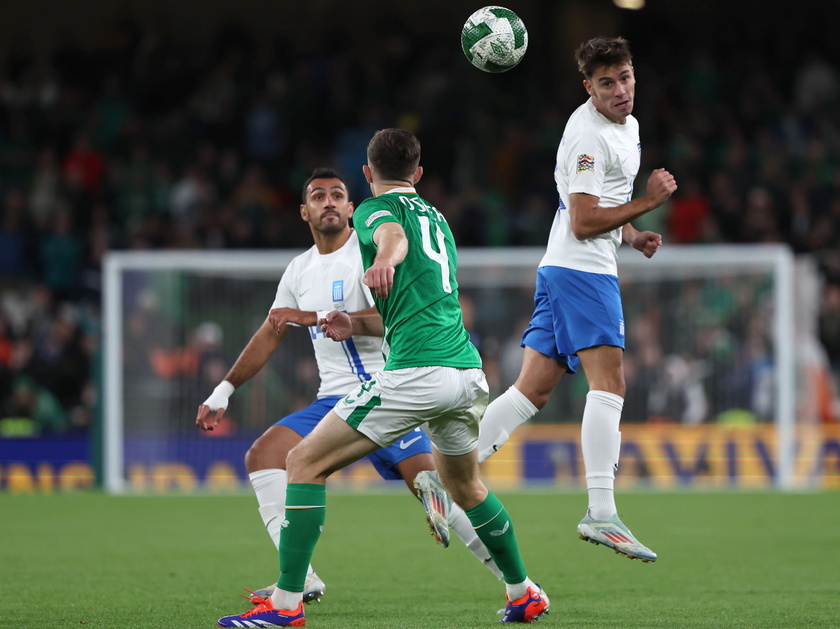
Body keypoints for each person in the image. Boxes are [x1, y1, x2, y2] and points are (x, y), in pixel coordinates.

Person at [217, 130, 550, 627]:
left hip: (410, 378)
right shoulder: (438, 219)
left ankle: (286, 605)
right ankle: (524, 591)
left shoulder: (375, 213)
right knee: (467, 487)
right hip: (466, 372)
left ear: (367, 178)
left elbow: (391, 239)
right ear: (418, 174)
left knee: (303, 462)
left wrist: (384, 261)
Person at [476, 37, 677, 563]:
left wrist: (633, 234)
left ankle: (443, 467)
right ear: (588, 88)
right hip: (582, 271)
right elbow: (587, 221)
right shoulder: (588, 135)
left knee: (532, 391)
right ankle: (602, 512)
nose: (620, 90)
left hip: (564, 266)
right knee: (610, 383)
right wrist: (650, 202)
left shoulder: (626, 127)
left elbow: (598, 206)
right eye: (607, 83)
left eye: (626, 77)